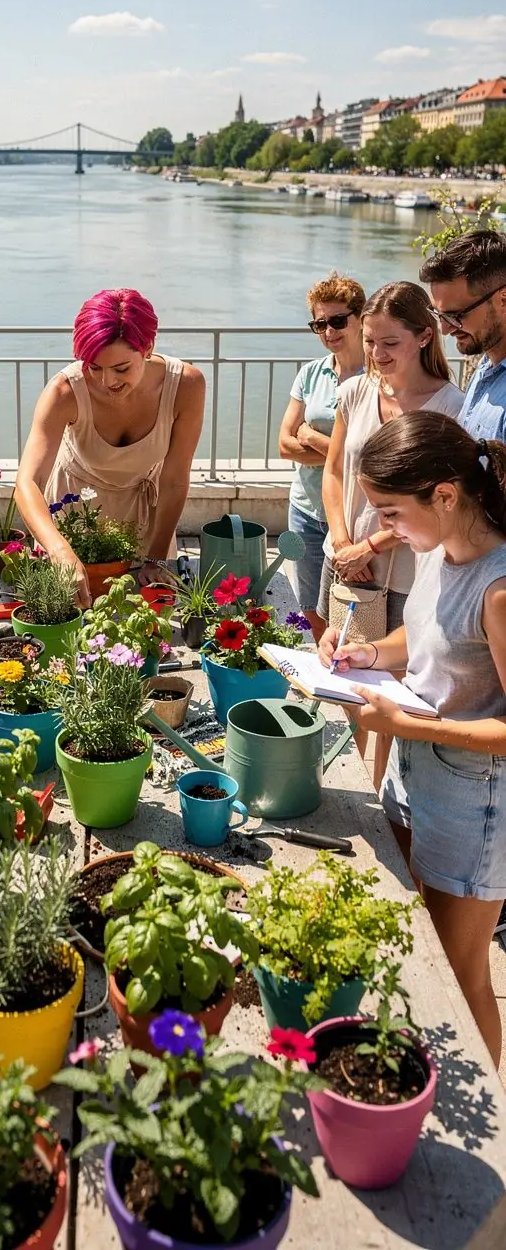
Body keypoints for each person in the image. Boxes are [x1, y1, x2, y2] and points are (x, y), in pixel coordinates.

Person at [319, 411, 506, 1065]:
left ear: (447, 496)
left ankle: (488, 1125)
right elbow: (424, 640)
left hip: (474, 804)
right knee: (414, 938)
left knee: (461, 975)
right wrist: (367, 656)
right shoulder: (436, 548)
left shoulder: (499, 587)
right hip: (414, 773)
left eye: (391, 513)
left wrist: (405, 724)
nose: (385, 532)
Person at [14, 288, 206, 606]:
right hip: (75, 515)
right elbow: (26, 483)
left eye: (121, 369)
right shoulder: (64, 391)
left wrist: (156, 557)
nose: (106, 382)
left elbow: (173, 479)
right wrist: (59, 548)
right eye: (93, 367)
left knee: (145, 625)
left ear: (148, 348)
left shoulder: (186, 385)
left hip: (146, 521)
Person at [320, 280, 464, 636]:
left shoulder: (451, 408)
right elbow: (335, 471)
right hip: (341, 559)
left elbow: (440, 503)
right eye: (369, 341)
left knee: (393, 679)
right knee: (334, 661)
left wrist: (368, 548)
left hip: (406, 575)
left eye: (390, 343)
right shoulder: (353, 392)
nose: (376, 353)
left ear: (425, 337)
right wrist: (342, 544)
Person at [278, 272, 365, 641]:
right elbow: (283, 444)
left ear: (361, 317)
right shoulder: (311, 374)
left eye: (338, 321)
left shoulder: (376, 377)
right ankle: (324, 669)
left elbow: (366, 459)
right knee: (311, 606)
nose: (328, 331)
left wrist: (311, 436)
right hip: (305, 510)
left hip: (352, 515)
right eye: (319, 323)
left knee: (354, 606)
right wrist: (339, 453)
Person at [420, 229, 506, 440]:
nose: (445, 329)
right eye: (438, 315)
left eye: (456, 315)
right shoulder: (486, 366)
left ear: (503, 300)